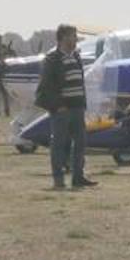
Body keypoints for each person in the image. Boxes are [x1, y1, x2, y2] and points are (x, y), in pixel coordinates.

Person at [36, 23, 97, 190]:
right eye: (73, 36)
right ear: (63, 37)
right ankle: (58, 179)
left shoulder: (76, 56)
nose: (76, 39)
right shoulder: (52, 59)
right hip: (62, 109)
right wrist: (58, 106)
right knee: (59, 144)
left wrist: (83, 104)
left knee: (80, 143)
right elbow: (46, 86)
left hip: (78, 108)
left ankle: (78, 176)